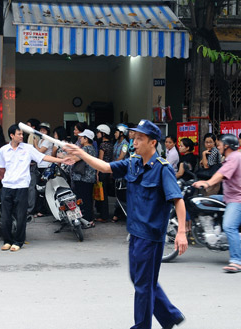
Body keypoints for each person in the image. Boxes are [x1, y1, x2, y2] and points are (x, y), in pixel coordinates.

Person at [64, 119, 187, 329]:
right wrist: (81, 153)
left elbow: (178, 200)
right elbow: (104, 166)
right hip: (135, 232)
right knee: (138, 279)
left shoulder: (162, 169)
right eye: (135, 137)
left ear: (152, 143)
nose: (135, 141)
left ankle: (142, 326)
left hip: (150, 235)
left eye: (140, 138)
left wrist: (182, 232)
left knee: (142, 285)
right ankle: (170, 315)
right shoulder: (132, 163)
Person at [0, 124, 69, 252]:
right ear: (11, 135)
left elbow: (43, 157)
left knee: (21, 216)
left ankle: (18, 242)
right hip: (7, 185)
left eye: (22, 134)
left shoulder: (28, 148)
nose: (21, 136)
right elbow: (2, 167)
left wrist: (62, 161)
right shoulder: (3, 150)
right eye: (19, 134)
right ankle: (7, 241)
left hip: (22, 186)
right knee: (6, 216)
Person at [193, 134, 241, 273]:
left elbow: (221, 174)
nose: (218, 146)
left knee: (230, 226)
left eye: (219, 144)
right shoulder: (231, 157)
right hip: (230, 196)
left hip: (239, 199)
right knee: (208, 200)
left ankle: (236, 261)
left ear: (226, 145)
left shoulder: (234, 157)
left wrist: (207, 183)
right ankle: (216, 231)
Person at [69, 129, 97, 226]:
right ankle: (89, 220)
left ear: (86, 139)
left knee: (83, 201)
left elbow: (74, 159)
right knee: (88, 199)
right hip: (89, 178)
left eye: (82, 137)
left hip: (82, 178)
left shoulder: (85, 149)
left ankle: (86, 220)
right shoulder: (93, 149)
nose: (80, 138)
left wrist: (64, 155)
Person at [32, 122, 54, 217]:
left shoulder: (47, 140)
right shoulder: (41, 140)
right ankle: (41, 209)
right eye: (40, 130)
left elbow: (40, 152)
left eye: (44, 130)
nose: (42, 131)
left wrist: (35, 144)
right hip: (40, 166)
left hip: (46, 166)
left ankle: (43, 210)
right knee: (40, 189)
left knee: (43, 189)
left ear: (47, 131)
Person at [95, 124, 114, 223]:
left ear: (103, 133)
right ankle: (104, 214)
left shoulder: (102, 145)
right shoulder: (111, 144)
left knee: (102, 194)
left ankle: (103, 216)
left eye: (98, 132)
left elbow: (100, 160)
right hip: (108, 170)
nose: (97, 134)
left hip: (102, 171)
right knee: (104, 193)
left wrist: (97, 173)